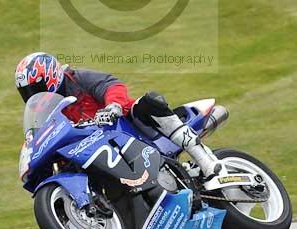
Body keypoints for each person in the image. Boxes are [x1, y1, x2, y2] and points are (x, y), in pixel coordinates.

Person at [15, 51, 223, 190]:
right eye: (28, 91)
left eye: (36, 87)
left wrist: (112, 106)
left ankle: (206, 161)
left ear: (51, 75)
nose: (33, 93)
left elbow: (111, 84)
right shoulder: (45, 108)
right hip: (94, 147)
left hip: (125, 127)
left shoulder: (76, 78)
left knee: (147, 103)